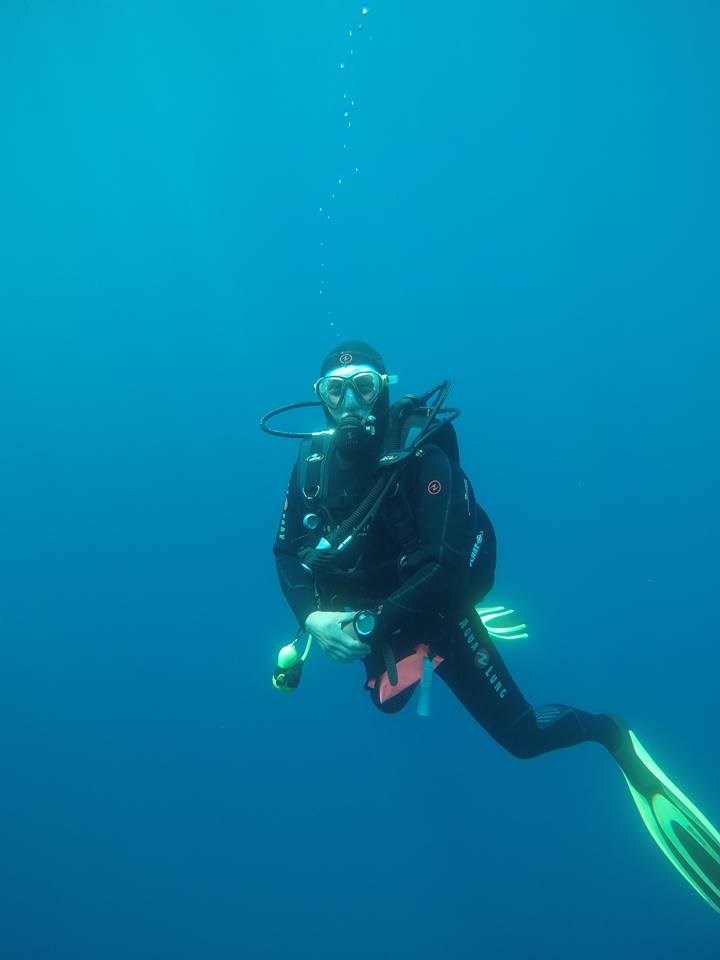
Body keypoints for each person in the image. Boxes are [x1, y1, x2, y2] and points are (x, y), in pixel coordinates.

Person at [267, 339, 720, 913]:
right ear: (321, 399)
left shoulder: (424, 458)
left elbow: (447, 568)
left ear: (383, 389)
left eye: (363, 386)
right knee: (388, 703)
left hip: (439, 607)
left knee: (524, 739)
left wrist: (365, 626)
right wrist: (312, 617)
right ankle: (409, 645)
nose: (350, 403)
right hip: (378, 614)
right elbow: (286, 551)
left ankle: (610, 733)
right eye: (336, 390)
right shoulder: (310, 465)